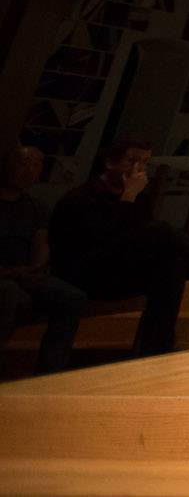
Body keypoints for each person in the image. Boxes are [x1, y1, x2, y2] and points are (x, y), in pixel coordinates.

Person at [47, 139, 189, 358]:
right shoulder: (79, 199)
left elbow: (140, 243)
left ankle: (156, 350)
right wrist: (128, 197)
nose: (137, 169)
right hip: (84, 275)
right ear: (110, 163)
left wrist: (132, 198)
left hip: (120, 269)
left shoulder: (138, 197)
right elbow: (107, 240)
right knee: (159, 232)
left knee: (172, 265)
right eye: (131, 160)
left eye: (144, 163)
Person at [0, 142, 86, 374]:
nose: (31, 170)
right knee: (7, 292)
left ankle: (50, 371)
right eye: (24, 163)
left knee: (72, 297)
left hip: (25, 273)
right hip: (6, 275)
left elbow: (42, 241)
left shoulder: (36, 207)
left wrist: (36, 267)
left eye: (37, 165)